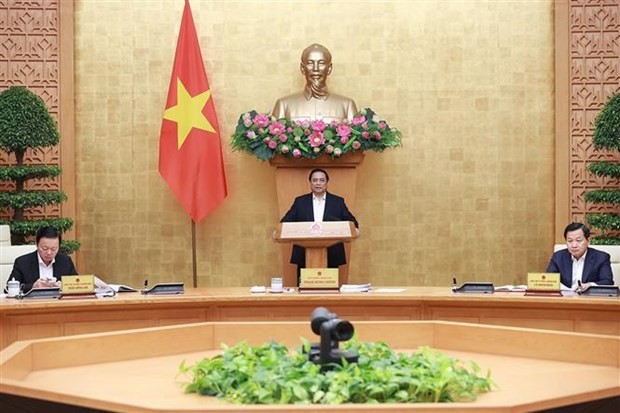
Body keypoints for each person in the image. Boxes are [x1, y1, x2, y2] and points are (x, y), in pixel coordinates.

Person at [280, 168, 359, 284]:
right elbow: (285, 222)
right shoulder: (300, 202)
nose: (318, 183)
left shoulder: (337, 202)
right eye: (315, 180)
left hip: (332, 252)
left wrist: (355, 229)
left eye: (322, 180)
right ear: (310, 183)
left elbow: (353, 223)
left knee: (330, 291)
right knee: (304, 291)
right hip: (304, 254)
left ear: (327, 182)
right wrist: (278, 231)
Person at [272, 43, 358, 123]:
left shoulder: (347, 105)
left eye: (321, 63)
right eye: (310, 63)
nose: (315, 68)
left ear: (329, 68)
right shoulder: (284, 105)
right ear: (302, 68)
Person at [7, 226, 78, 292]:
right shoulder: (22, 262)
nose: (49, 252)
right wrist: (33, 286)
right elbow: (8, 289)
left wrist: (65, 286)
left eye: (54, 249)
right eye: (45, 248)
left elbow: (77, 284)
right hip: (32, 303)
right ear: (36, 244)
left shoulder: (65, 261)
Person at [545, 222, 613, 291]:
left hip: (589, 299)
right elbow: (549, 279)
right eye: (570, 241)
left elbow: (607, 282)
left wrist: (589, 285)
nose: (574, 245)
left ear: (588, 241)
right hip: (564, 298)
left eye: (578, 240)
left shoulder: (601, 257)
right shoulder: (558, 257)